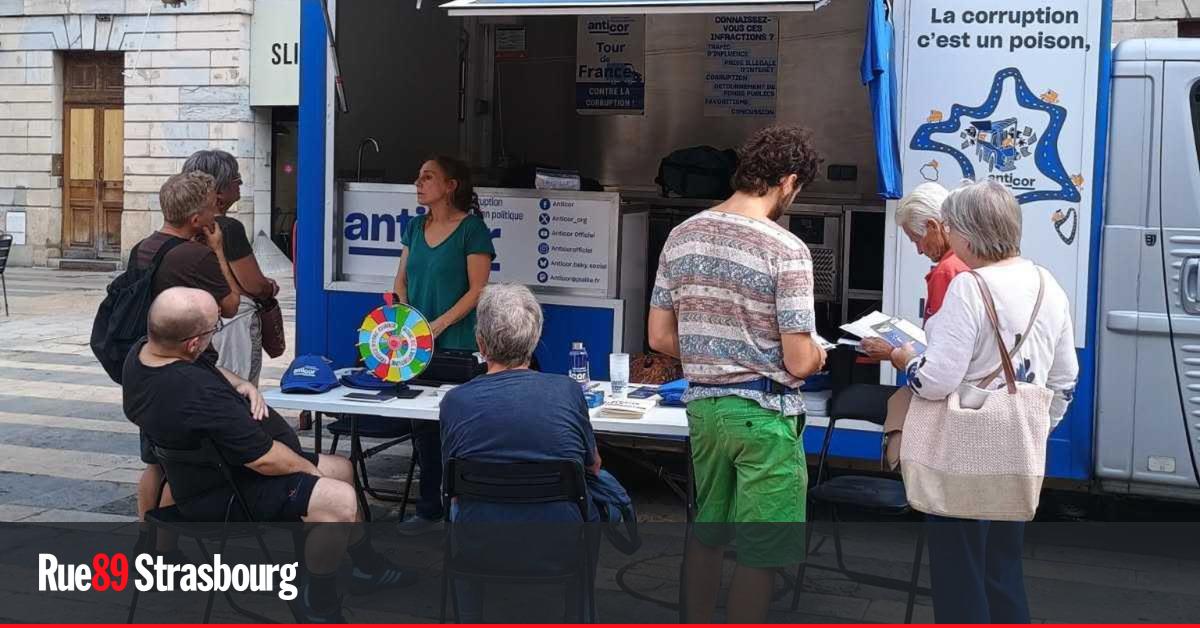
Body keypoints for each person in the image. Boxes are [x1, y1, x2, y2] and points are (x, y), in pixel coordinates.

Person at [123, 287, 415, 621]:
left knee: (343, 468)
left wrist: (240, 384)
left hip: (215, 471)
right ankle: (318, 603)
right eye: (214, 328)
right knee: (339, 500)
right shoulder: (195, 392)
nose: (215, 333)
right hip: (227, 492)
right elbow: (263, 458)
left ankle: (367, 566)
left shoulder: (143, 355)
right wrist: (307, 469)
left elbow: (208, 368)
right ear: (192, 343)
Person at [647, 125, 827, 623]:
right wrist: (818, 356)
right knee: (759, 553)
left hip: (704, 409)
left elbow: (660, 337)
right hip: (764, 415)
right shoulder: (786, 249)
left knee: (707, 535)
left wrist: (714, 344)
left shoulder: (682, 236)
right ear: (788, 181)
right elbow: (796, 359)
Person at [886, 180, 1079, 623]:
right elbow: (1065, 378)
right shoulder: (1048, 283)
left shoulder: (970, 288)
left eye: (951, 228)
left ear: (968, 234)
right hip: (1016, 454)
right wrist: (1034, 427)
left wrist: (904, 358)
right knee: (1002, 573)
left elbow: (935, 382)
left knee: (960, 580)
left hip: (962, 455)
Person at [439, 283, 601, 621]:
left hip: (479, 542)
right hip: (559, 541)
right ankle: (579, 612)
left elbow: (450, 491)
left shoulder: (455, 402)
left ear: (480, 344)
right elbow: (593, 466)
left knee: (460, 512)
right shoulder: (568, 392)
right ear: (534, 339)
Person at [129, 171, 241, 523]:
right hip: (187, 369)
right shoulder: (195, 256)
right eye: (211, 210)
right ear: (195, 219)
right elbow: (231, 304)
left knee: (155, 462)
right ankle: (166, 541)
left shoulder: (143, 247)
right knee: (182, 468)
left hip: (149, 362)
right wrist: (219, 251)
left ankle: (148, 539)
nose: (215, 216)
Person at [392, 156, 495, 534]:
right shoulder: (414, 227)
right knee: (424, 431)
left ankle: (465, 510)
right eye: (418, 176)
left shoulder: (472, 230)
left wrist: (438, 325)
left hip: (457, 345)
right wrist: (404, 320)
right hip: (415, 348)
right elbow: (400, 280)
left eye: (428, 177)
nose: (418, 183)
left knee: (461, 429)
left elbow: (479, 289)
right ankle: (430, 507)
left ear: (450, 186)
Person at [182, 150, 279, 386]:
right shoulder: (228, 228)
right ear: (219, 191)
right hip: (233, 324)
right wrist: (269, 287)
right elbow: (253, 284)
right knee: (239, 391)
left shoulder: (184, 227)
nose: (241, 183)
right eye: (236, 178)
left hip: (192, 324)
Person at [861, 182, 968, 361]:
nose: (919, 250)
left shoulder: (947, 270)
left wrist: (892, 353)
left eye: (917, 239)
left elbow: (938, 358)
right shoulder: (970, 257)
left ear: (933, 226)